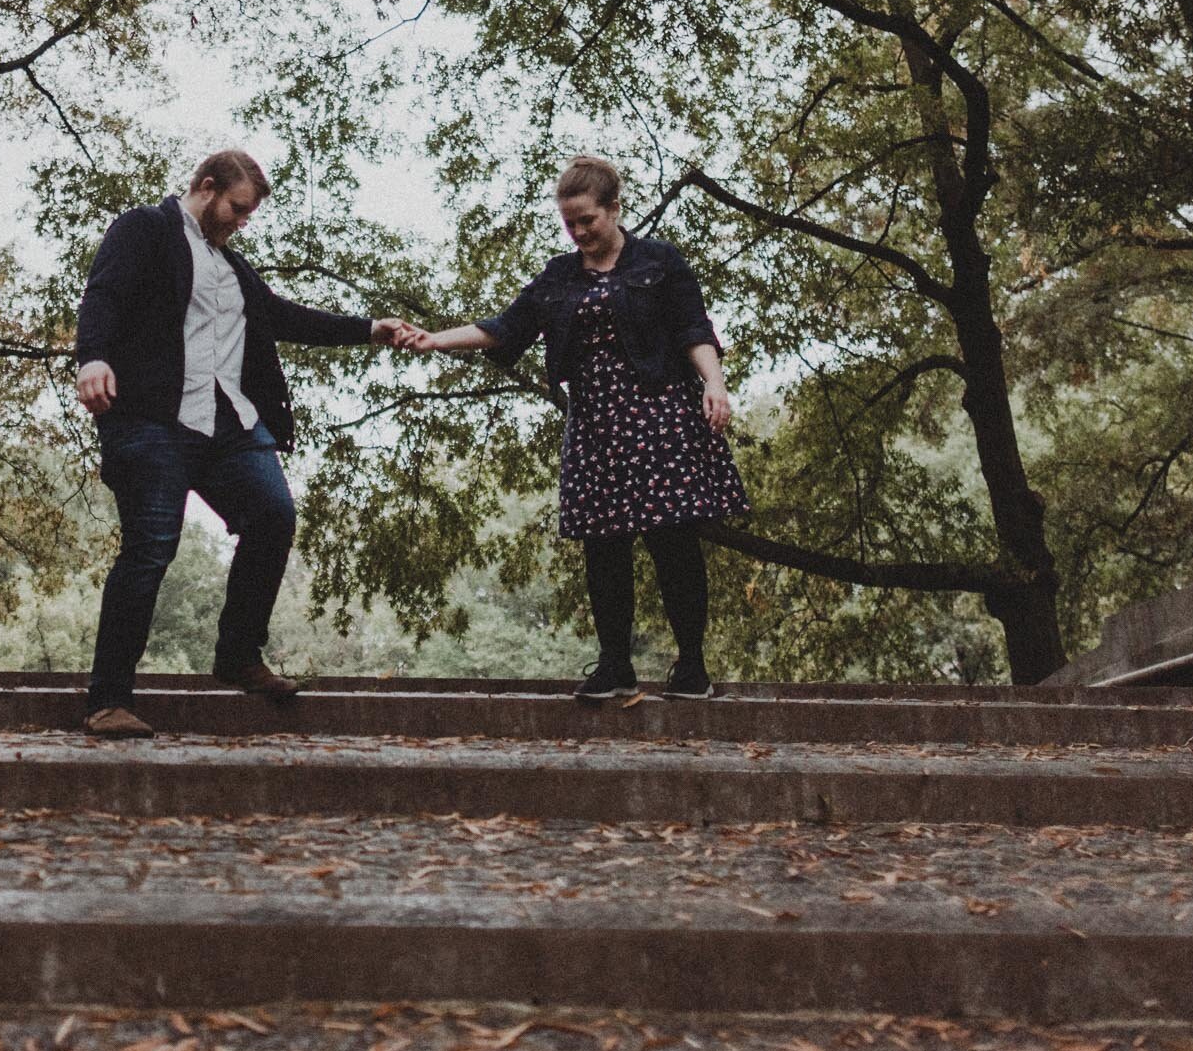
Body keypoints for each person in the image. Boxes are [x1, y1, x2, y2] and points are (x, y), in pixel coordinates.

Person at [73, 149, 426, 739]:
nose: (243, 221)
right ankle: (109, 699)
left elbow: (285, 317)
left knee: (272, 514)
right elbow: (104, 293)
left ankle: (238, 654)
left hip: (228, 425)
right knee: (151, 547)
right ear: (207, 187)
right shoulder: (146, 230)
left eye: (249, 214)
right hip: (153, 419)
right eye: (237, 209)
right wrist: (94, 356)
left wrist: (370, 329)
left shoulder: (233, 270)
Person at [416, 155, 747, 702]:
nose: (578, 232)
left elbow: (694, 329)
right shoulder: (558, 277)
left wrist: (714, 383)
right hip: (595, 427)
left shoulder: (659, 261)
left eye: (587, 220)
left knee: (674, 547)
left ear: (615, 209)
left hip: (661, 418)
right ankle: (615, 664)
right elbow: (505, 328)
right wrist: (434, 338)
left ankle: (692, 666)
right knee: (603, 548)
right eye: (569, 224)